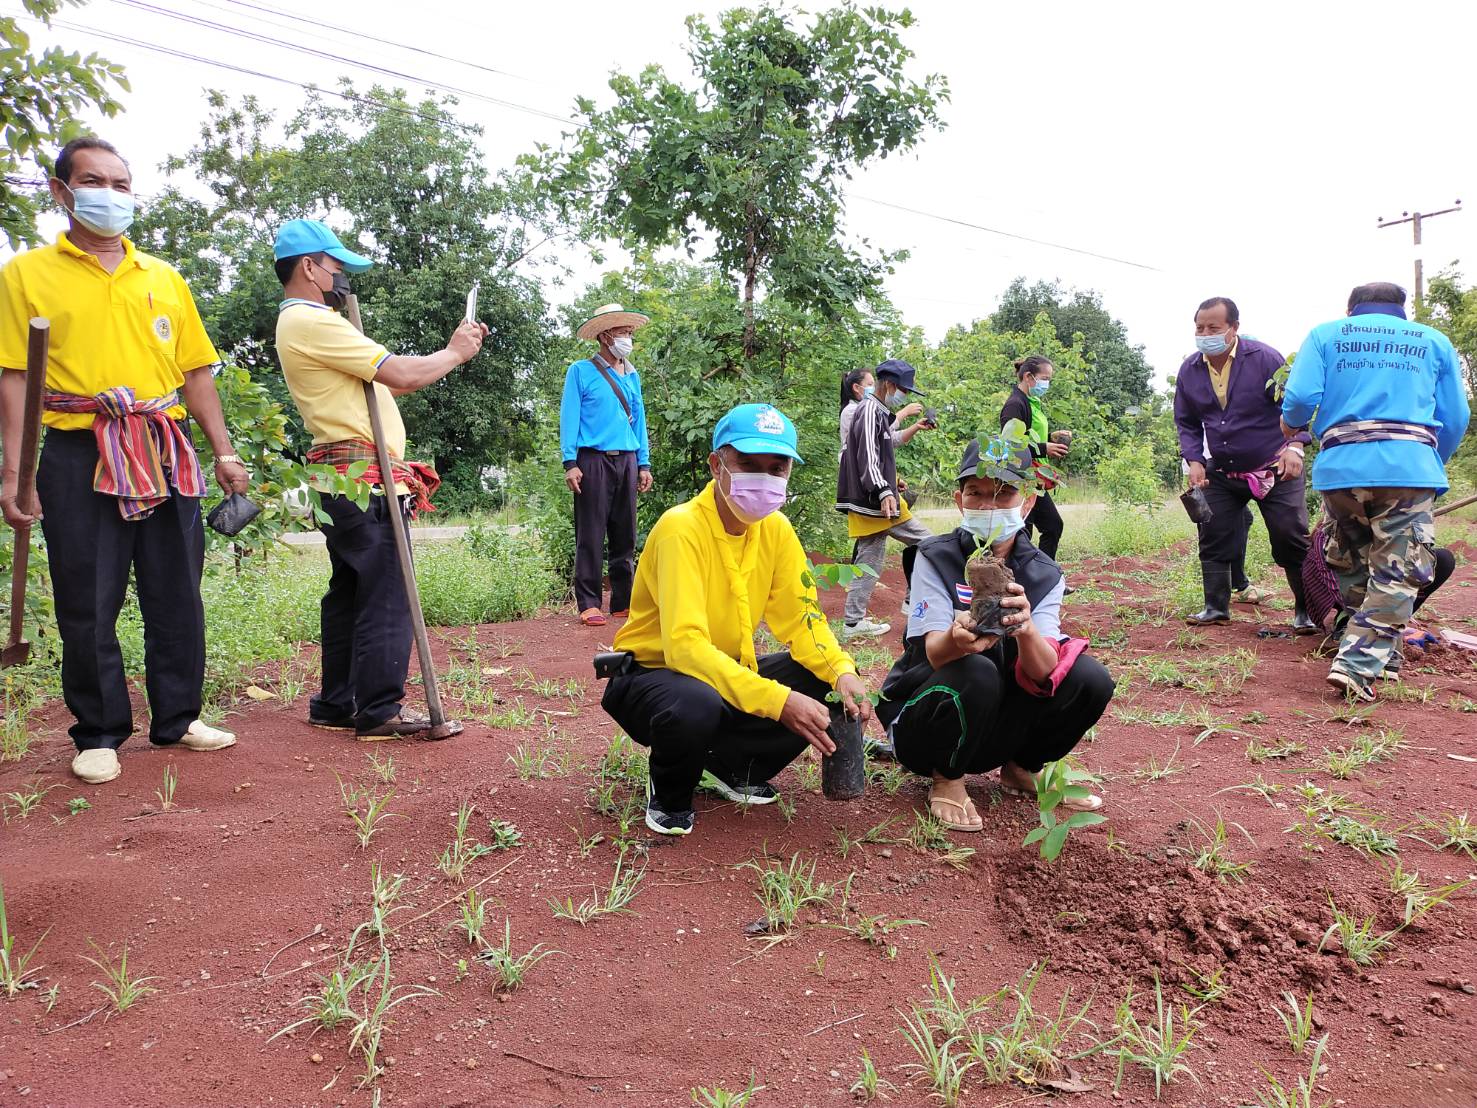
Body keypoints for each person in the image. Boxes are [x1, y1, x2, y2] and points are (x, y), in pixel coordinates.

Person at [0, 137, 247, 784]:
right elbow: (15, 378)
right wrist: (15, 475)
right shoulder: (25, 275)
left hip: (163, 444)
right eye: (93, 181)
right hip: (78, 449)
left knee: (176, 589)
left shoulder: (162, 277)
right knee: (87, 594)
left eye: (121, 184)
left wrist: (223, 451)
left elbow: (196, 374)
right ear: (61, 191)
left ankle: (178, 717)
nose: (109, 194)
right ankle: (99, 731)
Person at [600, 403, 871, 836]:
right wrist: (778, 701)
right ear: (716, 464)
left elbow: (803, 620)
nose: (764, 478)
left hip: (721, 671)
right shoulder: (681, 529)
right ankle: (669, 793)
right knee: (696, 703)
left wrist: (842, 671)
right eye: (748, 464)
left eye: (776, 468)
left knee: (821, 680)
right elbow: (685, 648)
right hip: (652, 676)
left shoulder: (776, 531)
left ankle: (731, 767)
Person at [272, 218, 487, 739]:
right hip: (362, 480)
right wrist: (455, 352)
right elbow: (403, 374)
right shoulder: (312, 321)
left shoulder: (306, 322)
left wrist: (449, 355)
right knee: (388, 590)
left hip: (342, 477)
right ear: (309, 267)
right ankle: (379, 709)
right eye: (336, 267)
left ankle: (337, 702)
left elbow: (389, 382)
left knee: (351, 592)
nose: (342, 278)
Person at [877, 437, 1114, 832]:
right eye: (977, 493)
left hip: (994, 729)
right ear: (959, 501)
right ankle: (947, 778)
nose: (988, 506)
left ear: (1028, 503)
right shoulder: (934, 556)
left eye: (1004, 494)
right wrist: (957, 639)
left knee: (1091, 679)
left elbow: (1044, 673)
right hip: (925, 726)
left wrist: (1026, 629)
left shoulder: (1044, 574)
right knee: (976, 668)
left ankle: (1022, 768)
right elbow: (934, 654)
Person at [1281, 281, 1470, 701]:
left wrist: (1291, 425)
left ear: (1351, 310)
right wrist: (1431, 461)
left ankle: (1386, 659)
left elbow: (1300, 398)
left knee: (1353, 563)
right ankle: (1357, 663)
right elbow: (1456, 416)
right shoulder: (1432, 340)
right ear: (1401, 310)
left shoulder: (1326, 334)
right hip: (1408, 468)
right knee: (1397, 570)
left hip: (1341, 470)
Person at [1174, 297, 1314, 631]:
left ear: (1234, 327)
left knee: (1290, 536)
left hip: (1274, 467)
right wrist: (1194, 459)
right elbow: (1187, 421)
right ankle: (1215, 607)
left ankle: (1306, 610)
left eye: (1213, 327)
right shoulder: (1190, 370)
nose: (1204, 334)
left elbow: (1294, 405)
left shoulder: (1265, 359)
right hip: (1222, 469)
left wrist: (1295, 445)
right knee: (1213, 532)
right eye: (1199, 328)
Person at [560, 304, 653, 628]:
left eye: (630, 332)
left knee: (625, 533)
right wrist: (570, 462)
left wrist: (644, 463)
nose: (628, 338)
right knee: (591, 532)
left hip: (627, 459)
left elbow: (639, 421)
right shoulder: (580, 372)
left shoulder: (632, 375)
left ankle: (623, 602)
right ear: (604, 336)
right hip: (592, 459)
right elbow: (569, 417)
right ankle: (589, 603)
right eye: (622, 332)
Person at [836, 359, 935, 640]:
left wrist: (892, 482)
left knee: (871, 561)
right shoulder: (869, 410)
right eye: (904, 390)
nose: (904, 395)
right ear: (890, 385)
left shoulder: (877, 411)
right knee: (930, 543)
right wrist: (882, 489)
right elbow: (867, 454)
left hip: (875, 498)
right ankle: (911, 601)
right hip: (874, 500)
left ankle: (853, 623)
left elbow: (883, 450)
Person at [999, 355, 1070, 558]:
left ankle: (1042, 572)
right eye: (1045, 379)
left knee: (1047, 527)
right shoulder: (1015, 405)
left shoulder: (1032, 401)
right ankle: (1029, 573)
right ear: (1029, 377)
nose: (1047, 384)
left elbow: (1028, 436)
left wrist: (1050, 438)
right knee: (1030, 531)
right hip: (1022, 477)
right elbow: (1011, 446)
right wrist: (1043, 448)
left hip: (1034, 476)